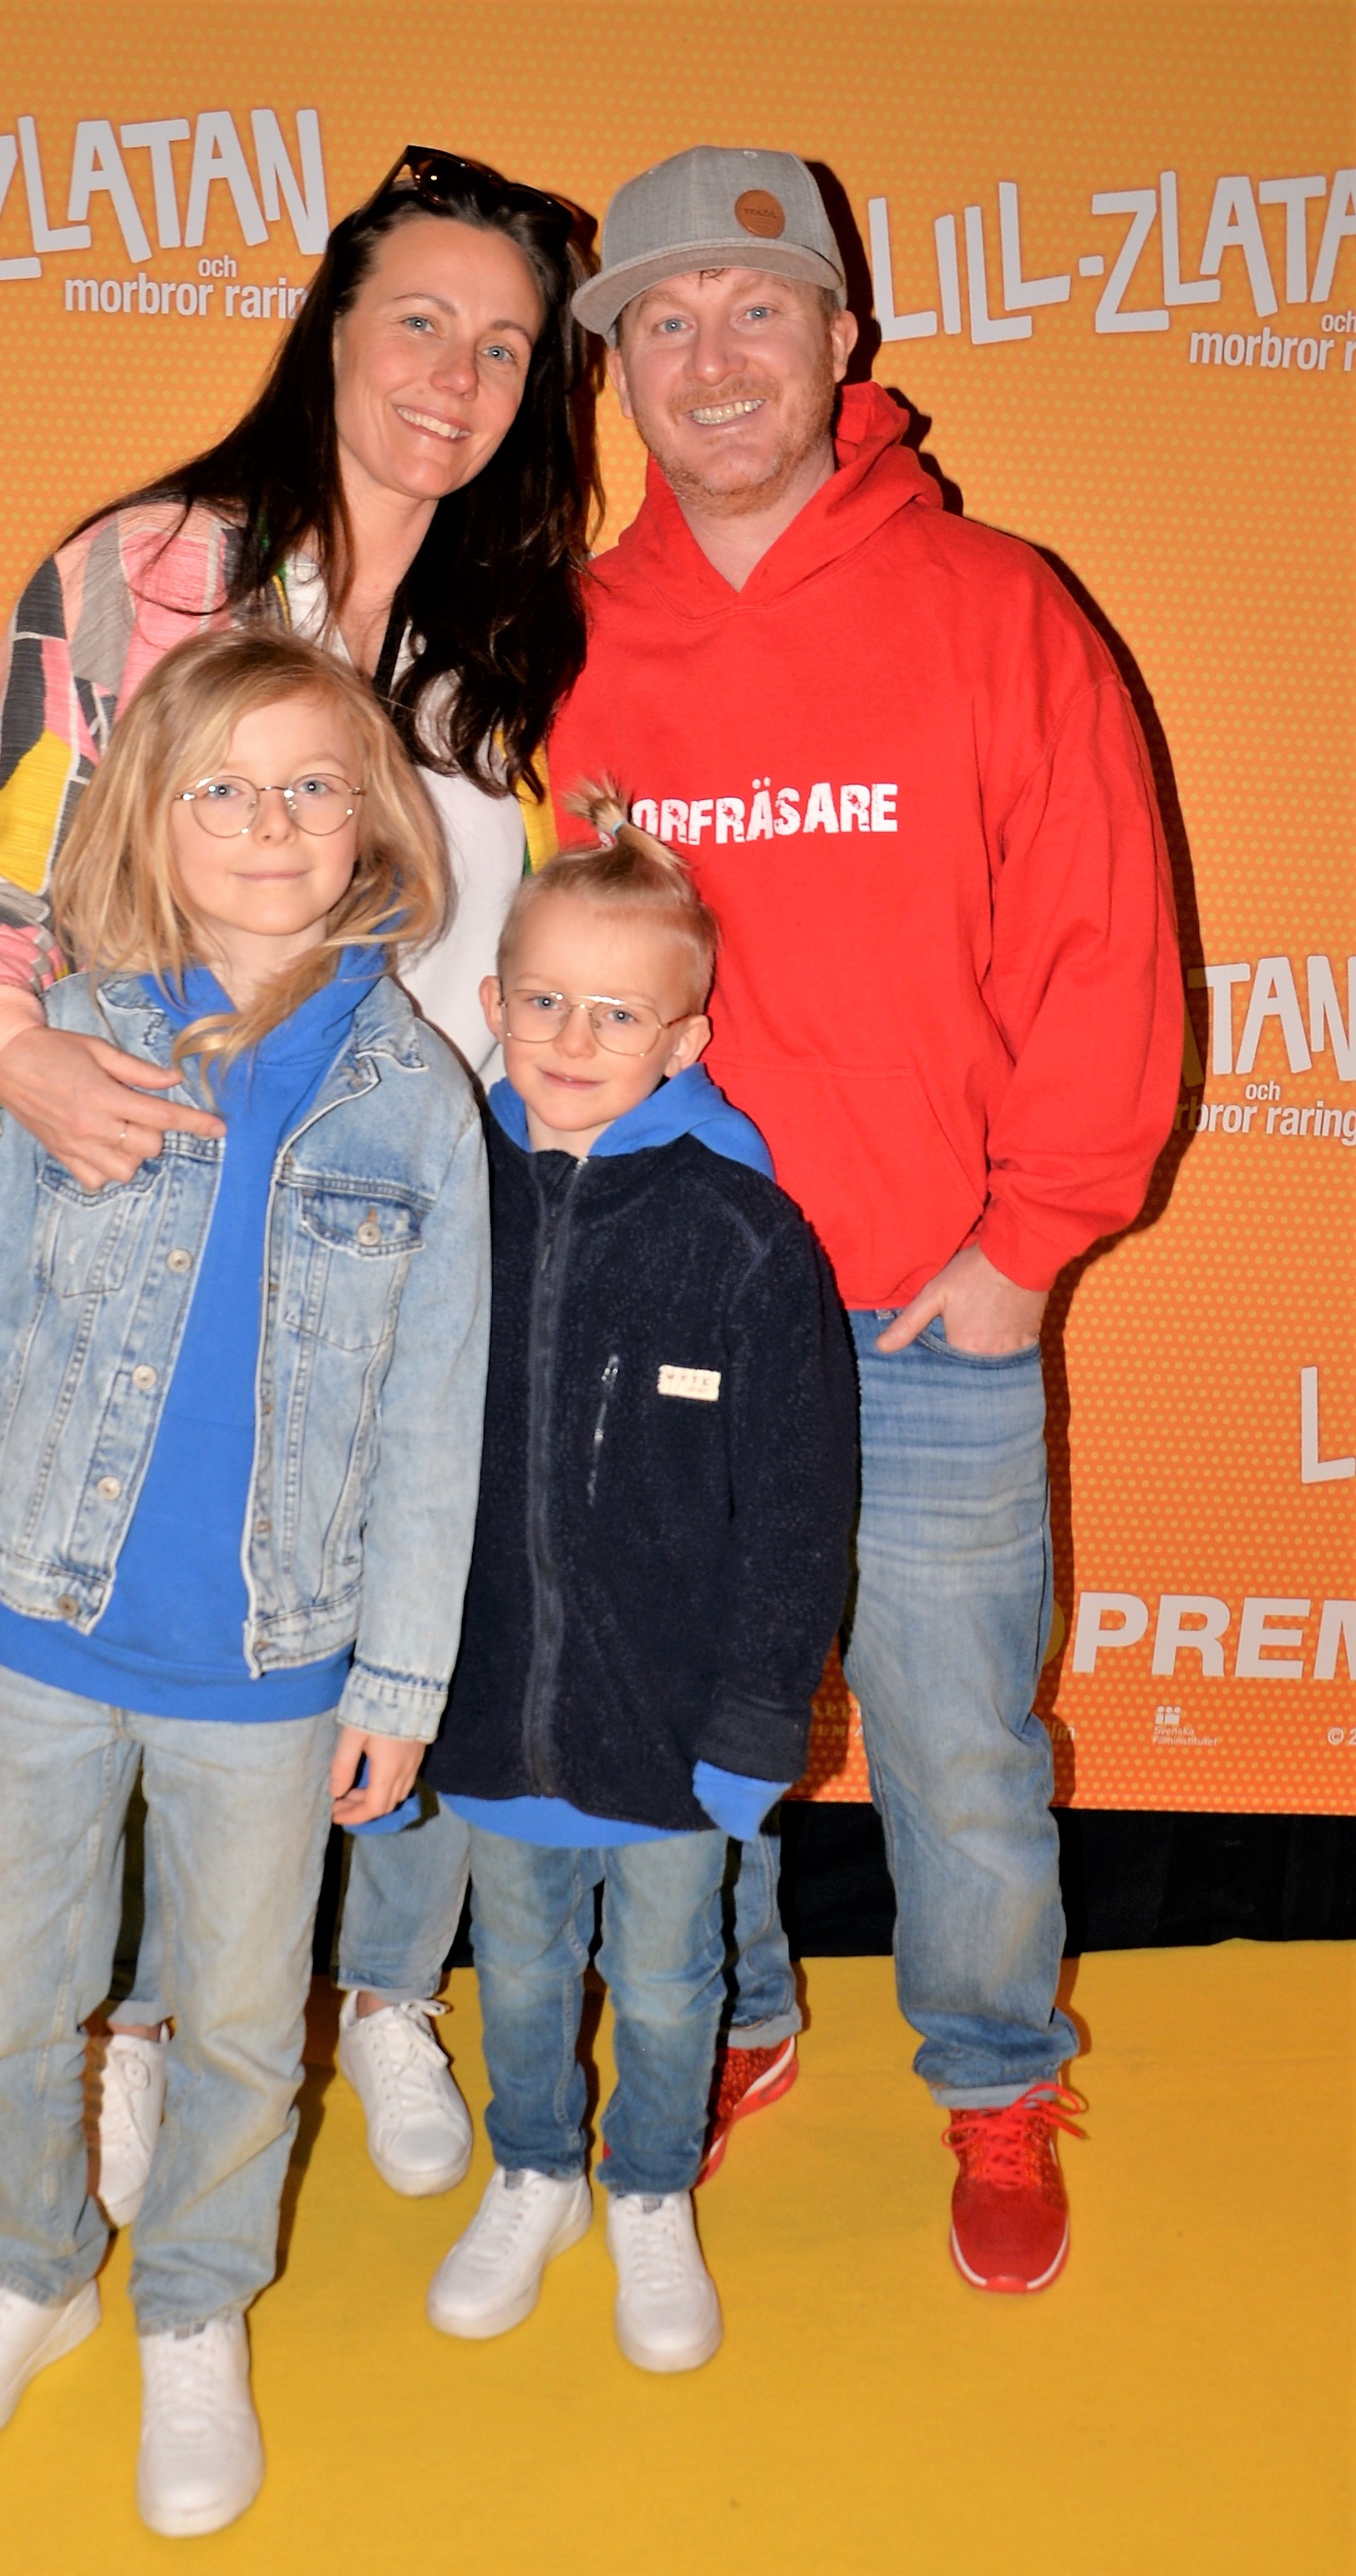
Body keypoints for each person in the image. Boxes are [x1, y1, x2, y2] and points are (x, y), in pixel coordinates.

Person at [0, 145, 602, 2220]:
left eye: (505, 348)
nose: (458, 376)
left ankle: (379, 1996)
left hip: (434, 1216)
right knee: (152, 1617)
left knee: (407, 1607)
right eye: (423, 322)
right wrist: (24, 1055)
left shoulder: (525, 635)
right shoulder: (143, 569)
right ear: (333, 326)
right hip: (161, 1193)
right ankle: (140, 2034)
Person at [546, 147, 1182, 2290]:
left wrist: (1025, 1250)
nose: (712, 357)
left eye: (756, 310)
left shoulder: (997, 606)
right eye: (662, 322)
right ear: (618, 367)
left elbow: (1105, 943)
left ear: (841, 337)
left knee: (960, 1754)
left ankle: (998, 2079)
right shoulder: (570, 643)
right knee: (683, 1737)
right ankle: (731, 2023)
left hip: (924, 1315)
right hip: (664, 1321)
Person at [0, 628, 489, 2536]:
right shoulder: (72, 1044)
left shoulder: (419, 1098)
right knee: (9, 2005)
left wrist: (400, 1680)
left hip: (273, 1671)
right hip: (39, 1632)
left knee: (233, 2030)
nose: (270, 824)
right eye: (222, 787)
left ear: (375, 819)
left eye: (313, 786)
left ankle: (196, 2309)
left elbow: (435, 1419)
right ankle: (31, 2269)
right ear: (150, 817)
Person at [422, 809, 856, 2370]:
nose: (573, 1038)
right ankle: (535, 2171)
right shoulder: (444, 1197)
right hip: (488, 1710)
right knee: (521, 1970)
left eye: (619, 1014)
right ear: (492, 1002)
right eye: (545, 1000)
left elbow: (799, 1508)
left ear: (686, 1039)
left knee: (671, 1984)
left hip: (672, 1731)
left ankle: (653, 2189)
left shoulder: (746, 1237)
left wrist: (756, 1719)